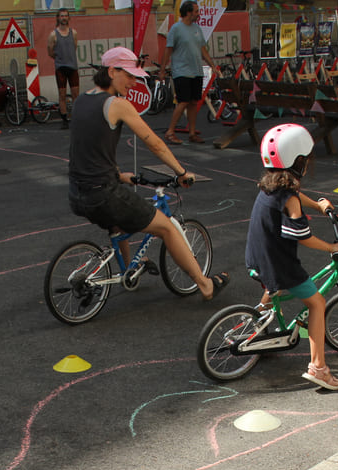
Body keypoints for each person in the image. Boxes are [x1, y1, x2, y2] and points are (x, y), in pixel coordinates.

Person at [68, 46, 227, 300]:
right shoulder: (117, 104)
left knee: (118, 221)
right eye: (129, 76)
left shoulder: (81, 100)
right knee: (167, 228)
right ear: (111, 71)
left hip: (77, 193)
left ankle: (128, 270)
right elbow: (154, 142)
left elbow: (87, 148)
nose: (134, 82)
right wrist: (181, 171)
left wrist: (117, 174)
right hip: (103, 194)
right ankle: (206, 285)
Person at [245, 124, 338, 391]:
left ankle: (258, 332)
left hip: (256, 258)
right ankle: (318, 368)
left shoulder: (270, 186)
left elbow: (294, 194)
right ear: (298, 162)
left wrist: (317, 204)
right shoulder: (289, 200)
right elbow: (302, 236)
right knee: (316, 303)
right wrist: (332, 248)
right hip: (279, 265)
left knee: (273, 289)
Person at [161, 0, 220, 144]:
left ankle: (192, 132)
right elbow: (168, 49)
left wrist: (212, 65)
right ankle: (170, 131)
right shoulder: (176, 29)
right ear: (188, 12)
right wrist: (162, 69)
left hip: (196, 70)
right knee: (183, 102)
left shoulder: (197, 29)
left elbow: (202, 49)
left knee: (194, 102)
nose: (198, 14)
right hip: (182, 71)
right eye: (196, 11)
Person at [47, 9, 80, 128]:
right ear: (58, 18)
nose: (64, 18)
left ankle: (76, 117)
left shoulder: (74, 33)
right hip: (61, 67)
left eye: (66, 16)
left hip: (73, 67)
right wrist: (59, 58)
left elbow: (74, 46)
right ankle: (64, 119)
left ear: (69, 18)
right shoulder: (53, 34)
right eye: (62, 16)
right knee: (62, 94)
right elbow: (50, 51)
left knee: (76, 93)